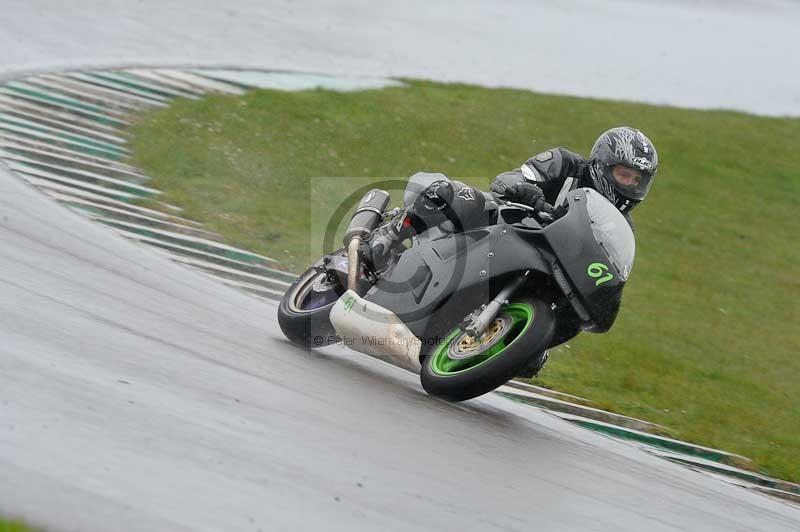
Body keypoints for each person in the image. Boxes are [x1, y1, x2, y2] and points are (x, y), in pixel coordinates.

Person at [491, 126, 659, 227]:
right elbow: (505, 181)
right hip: (512, 234)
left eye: (637, 180)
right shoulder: (563, 164)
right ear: (603, 163)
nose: (630, 184)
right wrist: (526, 191)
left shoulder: (622, 225)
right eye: (624, 175)